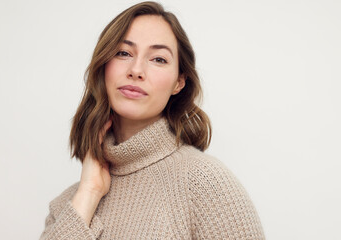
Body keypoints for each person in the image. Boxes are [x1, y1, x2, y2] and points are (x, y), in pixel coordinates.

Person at [40, 1, 265, 239]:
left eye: (158, 59)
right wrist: (89, 192)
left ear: (179, 82)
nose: (136, 70)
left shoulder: (206, 184)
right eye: (123, 53)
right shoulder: (68, 207)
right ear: (103, 67)